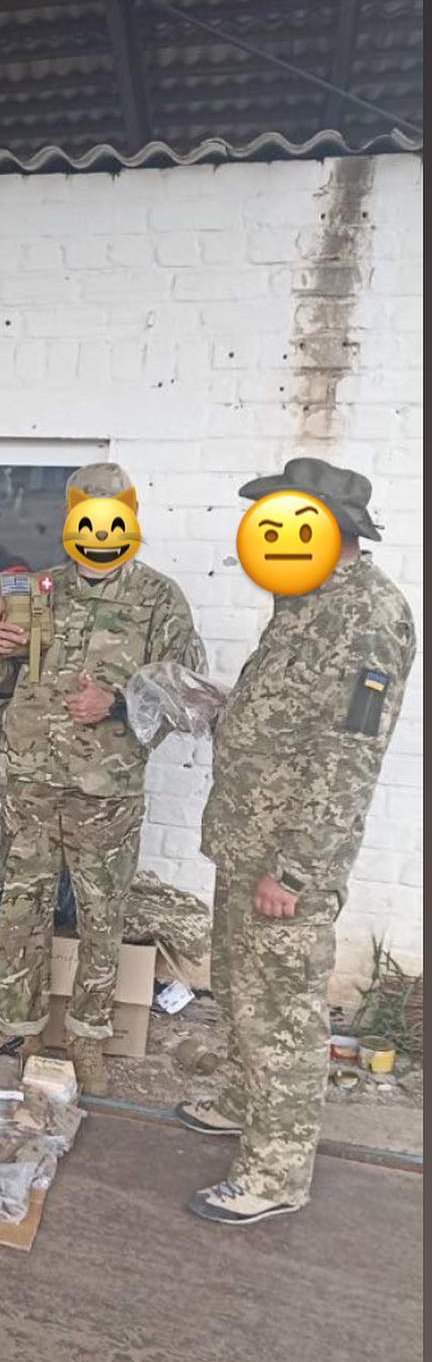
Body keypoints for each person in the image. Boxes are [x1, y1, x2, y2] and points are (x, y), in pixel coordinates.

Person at [177, 459, 416, 1224]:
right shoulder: (303, 599)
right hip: (245, 837)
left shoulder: (367, 616)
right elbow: (290, 717)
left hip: (285, 859)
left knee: (281, 1013)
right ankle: (243, 1101)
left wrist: (296, 871)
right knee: (241, 991)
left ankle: (275, 1173)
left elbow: (348, 758)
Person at [0, 463, 204, 1092]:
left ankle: (87, 1038)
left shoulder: (158, 599)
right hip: (31, 782)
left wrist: (118, 704)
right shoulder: (35, 589)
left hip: (106, 791)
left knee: (102, 915)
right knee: (21, 907)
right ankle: (18, 1031)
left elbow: (188, 694)